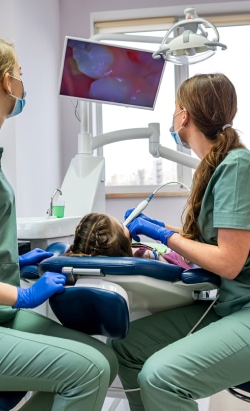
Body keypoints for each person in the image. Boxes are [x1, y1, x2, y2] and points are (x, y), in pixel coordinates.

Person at [0, 32, 118, 411]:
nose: (23, 83)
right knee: (88, 371)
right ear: (5, 82)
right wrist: (22, 295)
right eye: (20, 73)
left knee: (104, 361)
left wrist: (13, 260)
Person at [107, 73, 250, 411]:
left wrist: (164, 235)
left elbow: (229, 261)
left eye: (174, 110)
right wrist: (162, 230)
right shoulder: (218, 166)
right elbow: (218, 240)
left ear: (183, 115)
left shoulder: (237, 166)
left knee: (160, 377)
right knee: (126, 347)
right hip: (229, 307)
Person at [69, 212, 191, 269]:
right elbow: (184, 260)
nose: (126, 225)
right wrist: (162, 232)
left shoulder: (82, 256)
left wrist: (160, 225)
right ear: (121, 242)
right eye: (122, 226)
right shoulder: (144, 255)